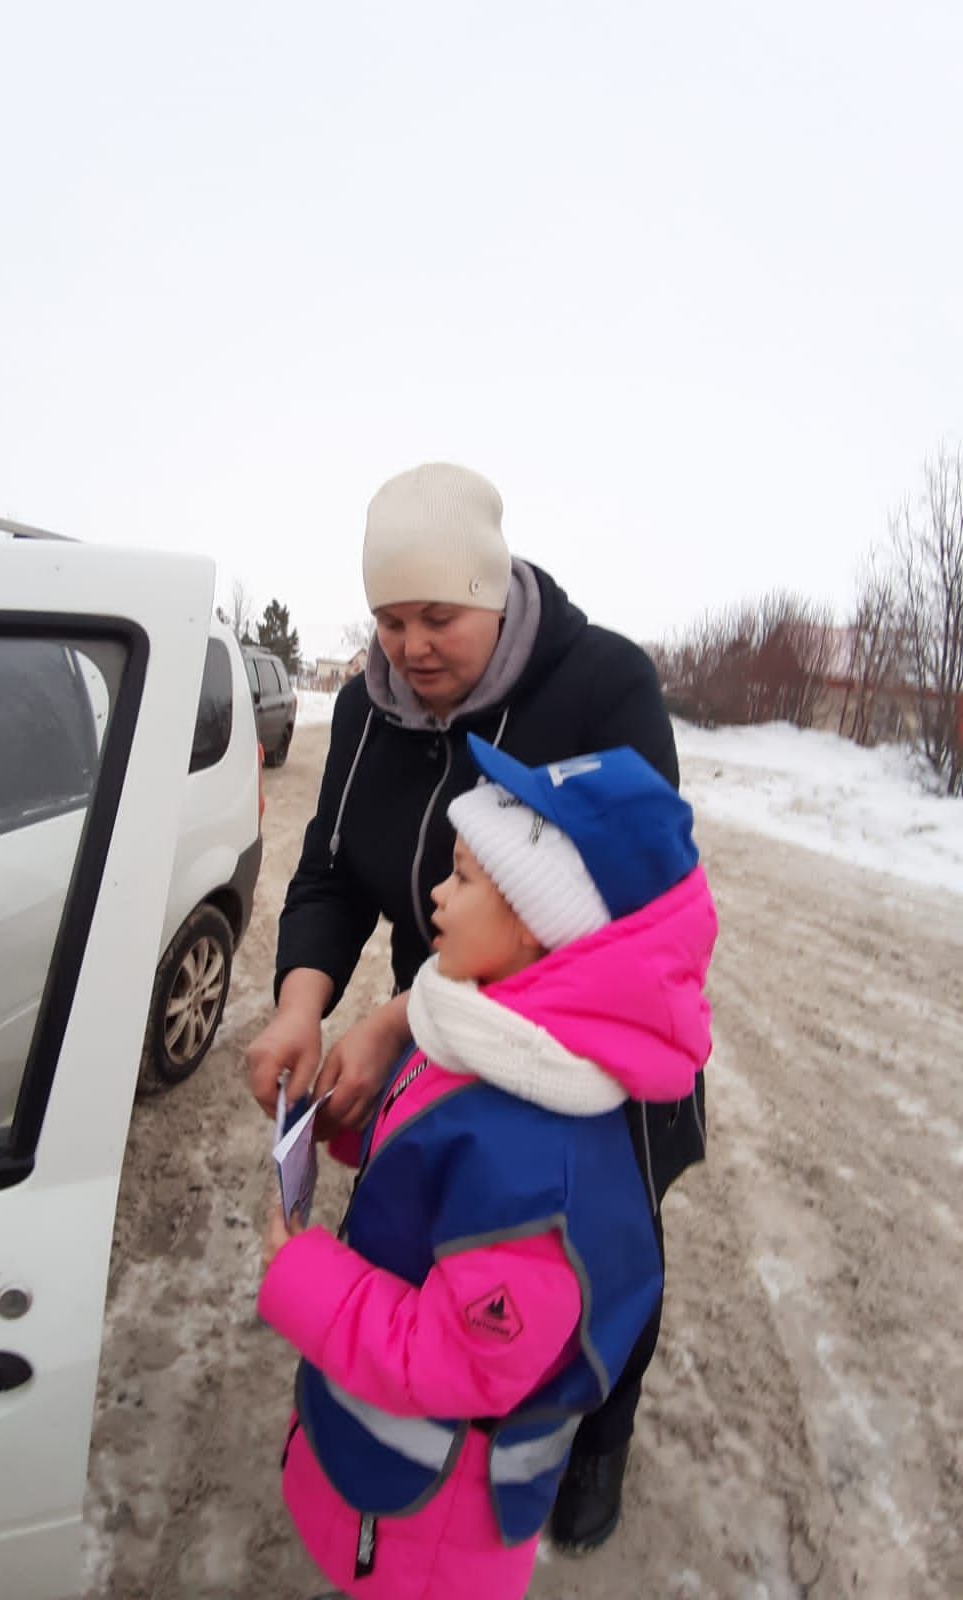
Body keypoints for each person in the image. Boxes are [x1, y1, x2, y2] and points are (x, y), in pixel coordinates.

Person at [248, 462, 705, 1548]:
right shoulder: (367, 705)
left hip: (585, 1047)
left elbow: (626, 912)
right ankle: (427, 1437)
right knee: (446, 1238)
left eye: (436, 615)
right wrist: (305, 1006)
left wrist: (397, 1015)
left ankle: (598, 1434)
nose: (409, 646)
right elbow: (327, 872)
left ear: (495, 593)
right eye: (388, 618)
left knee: (595, 1257)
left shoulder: (600, 686)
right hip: (451, 1025)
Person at [258, 737, 717, 1600]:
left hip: (426, 1530)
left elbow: (461, 1361)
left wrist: (301, 1274)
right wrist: (361, 1127)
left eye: (464, 878)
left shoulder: (542, 1163)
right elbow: (447, 1143)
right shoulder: (494, 1038)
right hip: (381, 1486)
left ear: (541, 926)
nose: (435, 890)